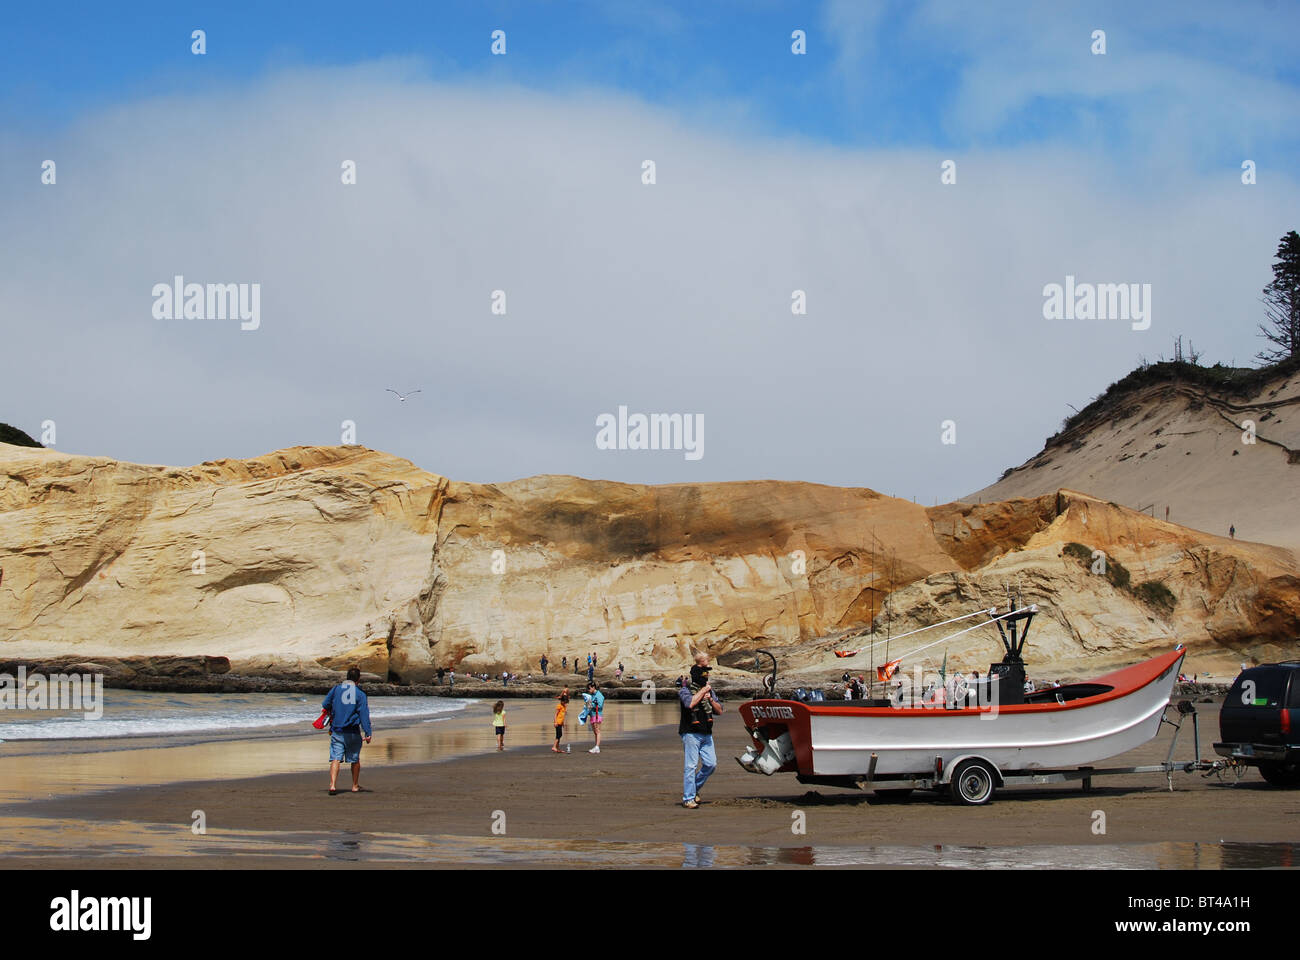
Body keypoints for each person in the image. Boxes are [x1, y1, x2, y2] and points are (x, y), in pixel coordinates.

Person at [679, 652, 723, 809]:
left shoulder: (710, 692)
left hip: (706, 733)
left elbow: (719, 710)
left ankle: (693, 788)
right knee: (690, 766)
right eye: (704, 673)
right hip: (691, 732)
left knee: (711, 764)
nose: (707, 676)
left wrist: (710, 698)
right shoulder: (685, 690)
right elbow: (690, 704)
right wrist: (703, 692)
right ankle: (688, 798)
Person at [321, 666, 373, 796]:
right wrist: (368, 732)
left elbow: (325, 704)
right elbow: (363, 714)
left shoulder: (336, 689)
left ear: (347, 677)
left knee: (335, 758)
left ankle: (332, 785)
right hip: (353, 732)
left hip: (337, 731)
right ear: (358, 679)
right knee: (355, 759)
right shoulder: (360, 694)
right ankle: (355, 785)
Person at [583, 681, 605, 753]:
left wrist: (592, 705)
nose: (588, 690)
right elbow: (590, 704)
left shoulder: (599, 695)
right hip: (592, 714)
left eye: (589, 689)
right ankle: (596, 746)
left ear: (593, 687)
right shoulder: (591, 695)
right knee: (595, 731)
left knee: (597, 730)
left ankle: (597, 747)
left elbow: (600, 705)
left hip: (597, 714)